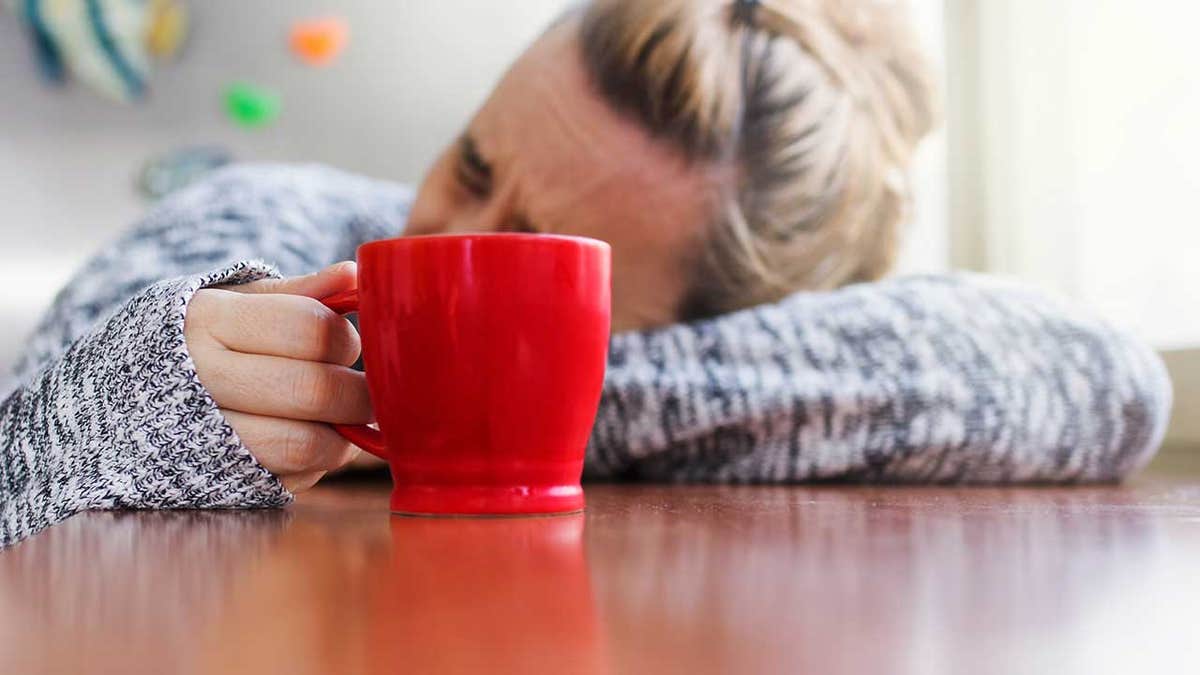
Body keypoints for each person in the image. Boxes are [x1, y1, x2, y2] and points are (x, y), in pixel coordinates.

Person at [0, 0, 1171, 548]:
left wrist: (529, 421)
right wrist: (143, 396)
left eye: (534, 256)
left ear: (754, 326)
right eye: (471, 161)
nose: (449, 221)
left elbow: (1109, 380)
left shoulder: (803, 341)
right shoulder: (277, 216)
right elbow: (29, 448)